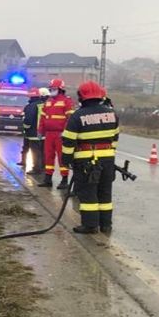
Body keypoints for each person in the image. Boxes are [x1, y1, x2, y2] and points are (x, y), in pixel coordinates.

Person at [62, 81, 119, 234]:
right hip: (108, 159)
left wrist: (66, 160)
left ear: (81, 96)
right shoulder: (112, 114)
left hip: (86, 161)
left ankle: (90, 225)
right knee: (105, 192)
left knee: (88, 193)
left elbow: (68, 141)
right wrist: (109, 156)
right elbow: (115, 138)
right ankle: (106, 225)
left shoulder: (77, 116)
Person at [37, 79, 74, 187]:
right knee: (48, 156)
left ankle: (64, 179)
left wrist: (65, 132)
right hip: (49, 134)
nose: (52, 90)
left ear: (60, 89)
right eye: (51, 89)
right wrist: (40, 131)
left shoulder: (66, 101)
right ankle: (48, 179)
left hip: (60, 134)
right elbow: (43, 118)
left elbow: (70, 119)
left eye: (54, 89)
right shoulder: (48, 101)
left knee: (62, 157)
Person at [20, 87, 45, 172]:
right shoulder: (44, 104)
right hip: (43, 133)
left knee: (35, 151)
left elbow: (28, 120)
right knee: (42, 151)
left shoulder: (31, 106)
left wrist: (25, 128)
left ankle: (36, 168)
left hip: (34, 133)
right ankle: (43, 167)